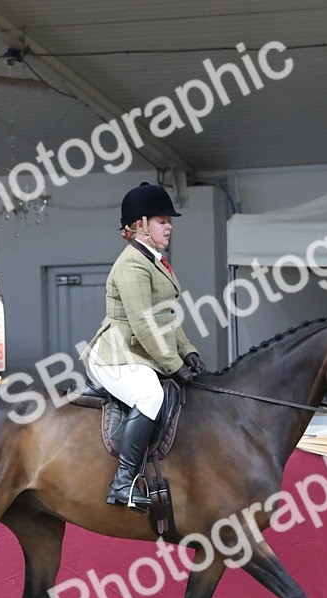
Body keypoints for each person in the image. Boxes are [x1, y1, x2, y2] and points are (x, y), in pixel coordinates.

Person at [82, 182, 205, 511]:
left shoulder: (155, 261)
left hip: (139, 352)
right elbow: (143, 323)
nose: (169, 226)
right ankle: (123, 482)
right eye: (162, 220)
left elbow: (167, 317)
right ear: (140, 225)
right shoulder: (131, 265)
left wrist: (188, 351)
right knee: (151, 395)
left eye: (169, 220)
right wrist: (173, 365)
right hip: (116, 356)